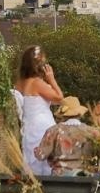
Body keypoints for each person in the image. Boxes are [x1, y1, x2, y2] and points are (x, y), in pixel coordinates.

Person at [14, 45, 64, 176]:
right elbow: (59, 98)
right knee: (45, 161)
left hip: (28, 125)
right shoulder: (36, 82)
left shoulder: (20, 82)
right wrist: (51, 79)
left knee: (31, 160)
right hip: (42, 126)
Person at [36, 96, 98, 175]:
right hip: (84, 176)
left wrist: (36, 150)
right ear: (79, 113)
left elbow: (41, 155)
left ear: (62, 114)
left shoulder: (54, 131)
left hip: (60, 177)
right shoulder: (91, 131)